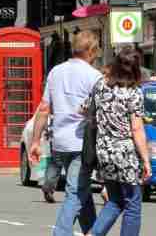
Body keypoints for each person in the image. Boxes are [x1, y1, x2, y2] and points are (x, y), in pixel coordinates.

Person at [29, 30, 102, 236]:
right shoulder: (94, 76)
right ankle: (60, 233)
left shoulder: (56, 72)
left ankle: (93, 230)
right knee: (75, 191)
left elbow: (44, 108)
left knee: (81, 189)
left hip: (60, 142)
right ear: (90, 51)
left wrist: (35, 141)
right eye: (96, 51)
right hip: (81, 143)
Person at [80, 46, 151, 236]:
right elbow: (137, 129)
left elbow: (84, 109)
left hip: (104, 151)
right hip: (126, 154)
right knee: (133, 204)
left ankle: (92, 234)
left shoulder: (100, 85)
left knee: (115, 200)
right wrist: (146, 160)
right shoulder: (134, 93)